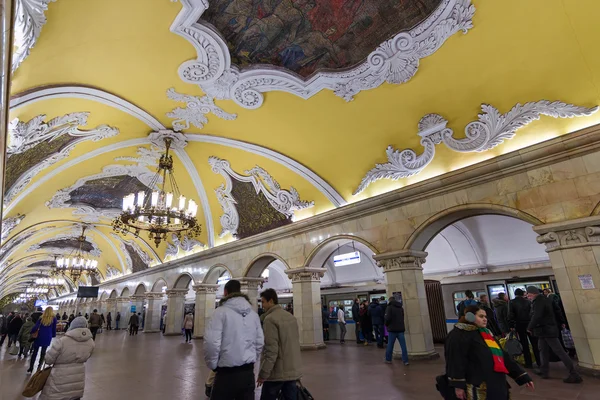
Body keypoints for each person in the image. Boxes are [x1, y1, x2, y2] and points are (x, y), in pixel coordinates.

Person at [445, 305, 534, 399]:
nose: (485, 319)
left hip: (496, 383)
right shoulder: (458, 335)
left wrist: (521, 376)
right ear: (469, 316)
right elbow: (455, 361)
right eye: (481, 316)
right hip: (477, 385)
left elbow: (503, 356)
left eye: (485, 317)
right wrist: (458, 385)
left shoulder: (485, 333)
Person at [204, 279, 264, 400]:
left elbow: (211, 343)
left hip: (226, 374)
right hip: (248, 373)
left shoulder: (219, 313)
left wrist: (213, 365)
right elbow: (259, 342)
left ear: (225, 292)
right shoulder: (253, 314)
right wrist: (252, 358)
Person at [526, 286, 582, 383]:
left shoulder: (539, 301)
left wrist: (530, 327)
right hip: (544, 331)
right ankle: (544, 371)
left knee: (560, 351)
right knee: (542, 350)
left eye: (528, 294)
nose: (527, 296)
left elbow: (537, 316)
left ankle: (574, 374)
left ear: (533, 293)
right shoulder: (544, 299)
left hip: (547, 330)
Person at [257, 288, 302, 400]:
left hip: (276, 372)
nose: (262, 305)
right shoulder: (290, 317)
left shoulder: (270, 319)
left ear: (271, 301)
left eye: (263, 302)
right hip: (291, 370)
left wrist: (263, 374)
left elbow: (271, 350)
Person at [38, 316, 95, 400]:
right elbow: (88, 356)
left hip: (59, 377)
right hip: (78, 377)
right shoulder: (91, 342)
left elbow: (48, 360)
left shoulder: (63, 341)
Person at [508, 288, 540, 368]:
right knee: (534, 343)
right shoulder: (528, 301)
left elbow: (510, 315)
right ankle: (539, 361)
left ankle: (528, 363)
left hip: (519, 325)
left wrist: (511, 325)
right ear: (523, 294)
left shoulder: (511, 302)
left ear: (515, 294)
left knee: (524, 344)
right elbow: (532, 313)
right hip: (529, 324)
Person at [28, 307, 57, 373]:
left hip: (39, 336)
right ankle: (39, 367)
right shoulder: (54, 318)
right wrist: (53, 335)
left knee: (35, 352)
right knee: (43, 352)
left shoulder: (41, 318)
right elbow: (54, 328)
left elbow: (36, 326)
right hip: (47, 336)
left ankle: (31, 367)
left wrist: (32, 332)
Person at [384, 296, 409, 365]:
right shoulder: (400, 308)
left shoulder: (389, 307)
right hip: (400, 329)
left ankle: (388, 359)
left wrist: (386, 324)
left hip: (392, 329)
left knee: (390, 345)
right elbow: (402, 317)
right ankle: (405, 361)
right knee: (403, 346)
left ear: (389, 301)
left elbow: (387, 318)